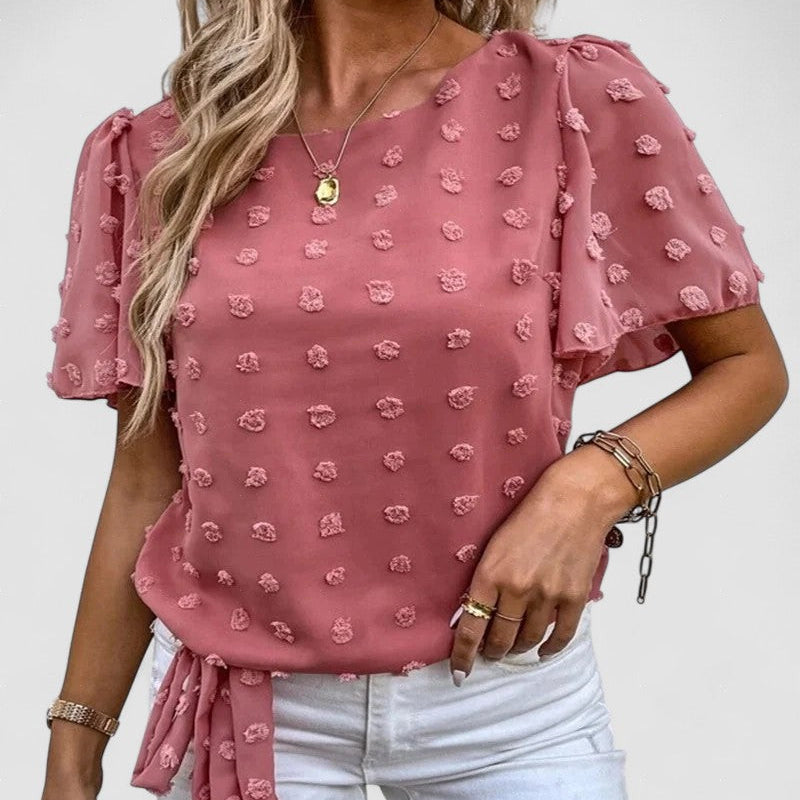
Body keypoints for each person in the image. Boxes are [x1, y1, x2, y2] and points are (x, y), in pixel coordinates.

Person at [40, 2, 788, 799]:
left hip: (508, 712)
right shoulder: (166, 151)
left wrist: (588, 487)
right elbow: (147, 481)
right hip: (253, 717)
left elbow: (748, 365)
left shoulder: (568, 97)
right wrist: (74, 751)